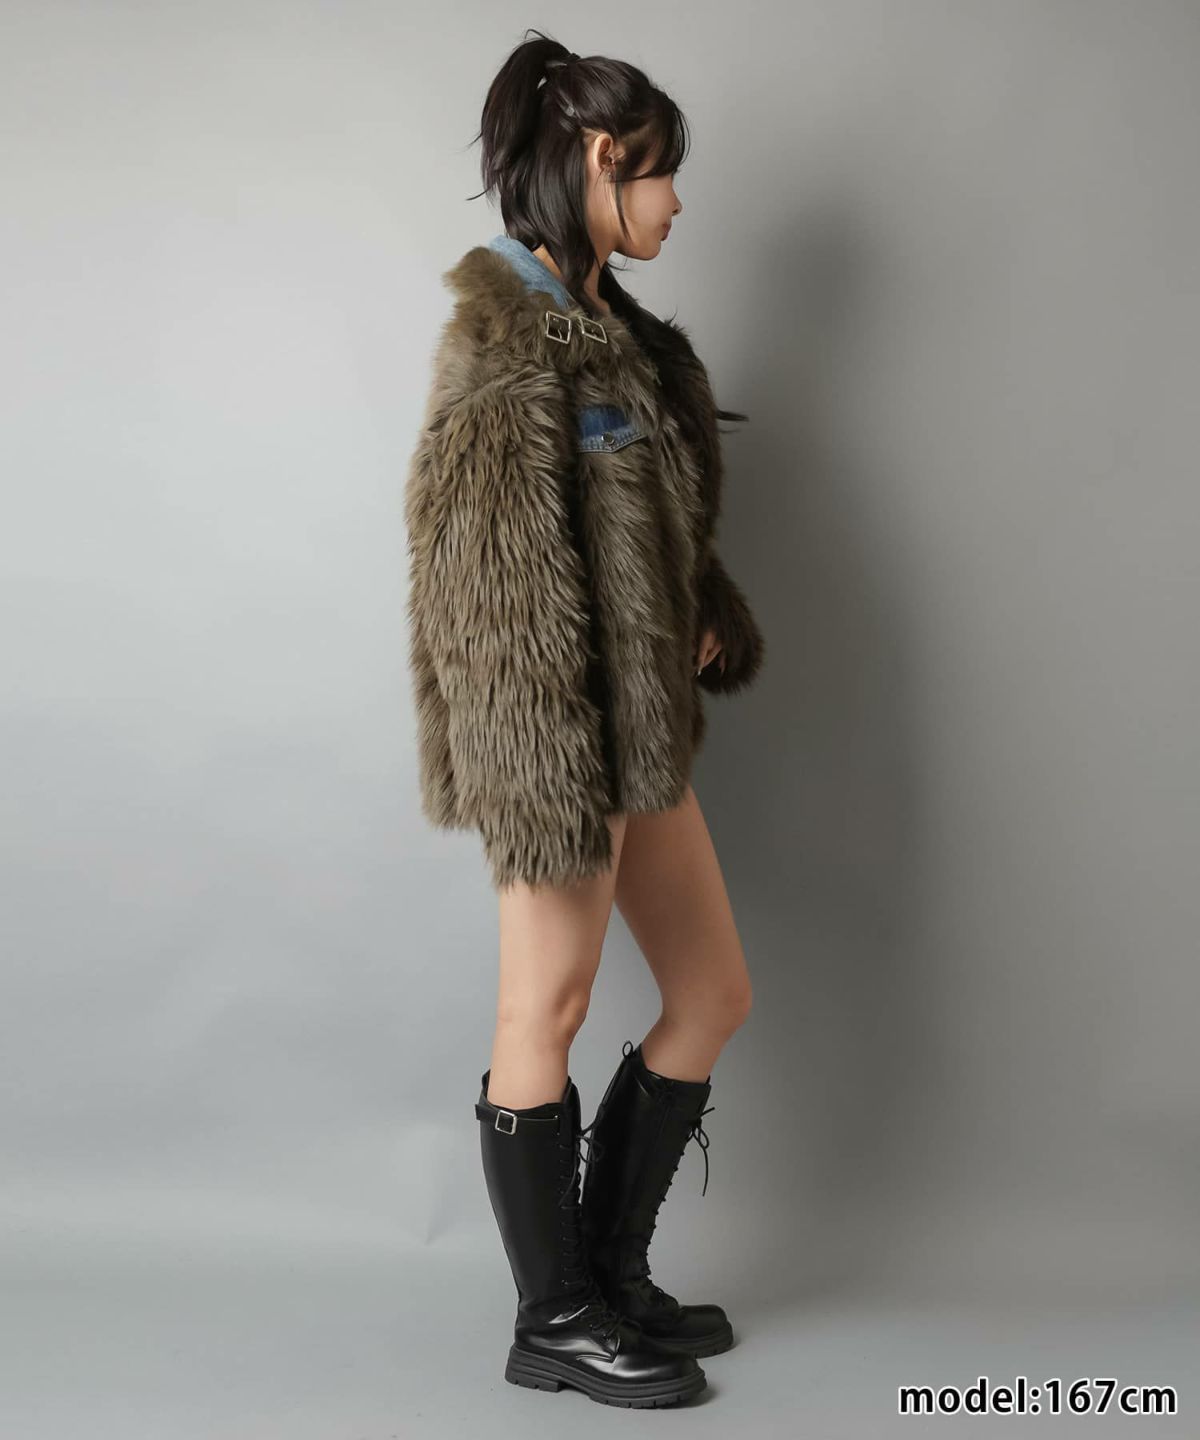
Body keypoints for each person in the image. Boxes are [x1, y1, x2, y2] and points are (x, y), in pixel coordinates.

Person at [403, 30, 766, 1408]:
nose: (676, 203)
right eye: (662, 174)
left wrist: (701, 606)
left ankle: (608, 1275)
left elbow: (645, 532)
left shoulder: (621, 336)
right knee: (541, 1004)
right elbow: (482, 588)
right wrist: (550, 775)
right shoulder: (509, 334)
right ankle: (554, 1319)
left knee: (712, 993)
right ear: (604, 160)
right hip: (560, 746)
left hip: (641, 737)